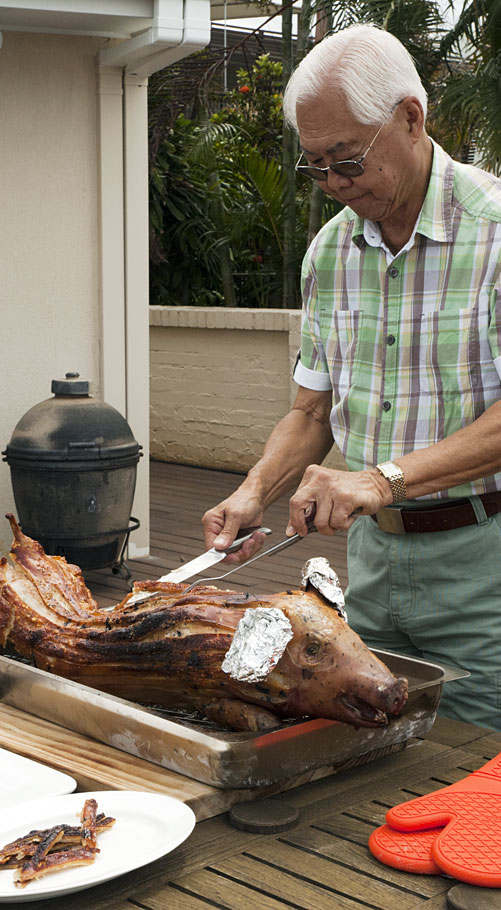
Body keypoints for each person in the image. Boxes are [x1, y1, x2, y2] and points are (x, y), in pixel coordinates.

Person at [202, 23, 501, 731]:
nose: (333, 183)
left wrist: (375, 480)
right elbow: (311, 412)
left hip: (484, 561)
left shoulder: (494, 232)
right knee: (375, 756)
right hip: (371, 561)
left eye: (347, 160)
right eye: (315, 165)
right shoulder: (329, 254)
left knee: (479, 780)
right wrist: (254, 492)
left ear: (409, 117)